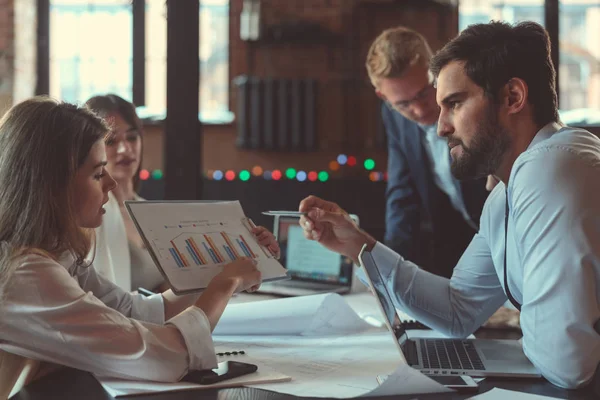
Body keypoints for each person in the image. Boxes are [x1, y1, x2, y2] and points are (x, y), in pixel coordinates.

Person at [299, 21, 600, 390]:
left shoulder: (551, 167)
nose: (439, 127)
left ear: (512, 98)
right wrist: (359, 245)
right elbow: (459, 312)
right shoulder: (504, 197)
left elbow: (567, 362)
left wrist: (520, 343)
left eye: (454, 103)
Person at [0, 97, 272, 396]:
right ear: (53, 183)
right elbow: (163, 358)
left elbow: (137, 310)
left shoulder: (56, 254)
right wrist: (225, 283)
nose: (110, 184)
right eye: (96, 173)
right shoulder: (26, 275)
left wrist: (224, 267)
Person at [85, 94, 279, 292]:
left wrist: (255, 253)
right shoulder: (89, 219)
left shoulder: (155, 214)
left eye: (132, 137)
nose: (125, 149)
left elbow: (176, 290)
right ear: (92, 149)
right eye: (111, 141)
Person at [366, 27, 489, 279]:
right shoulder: (393, 117)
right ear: (383, 97)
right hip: (460, 247)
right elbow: (402, 194)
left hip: (514, 236)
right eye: (403, 104)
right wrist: (390, 272)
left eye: (424, 92)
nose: (420, 110)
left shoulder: (473, 99)